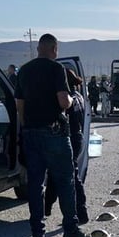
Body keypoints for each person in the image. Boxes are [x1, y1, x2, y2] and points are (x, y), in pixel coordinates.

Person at [15, 34, 90, 237]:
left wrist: (25, 126)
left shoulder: (25, 70)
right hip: (55, 132)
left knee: (36, 184)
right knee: (66, 181)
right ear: (54, 49)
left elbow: (19, 104)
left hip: (31, 133)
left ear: (38, 48)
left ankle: (37, 234)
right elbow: (63, 102)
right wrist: (70, 101)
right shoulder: (57, 69)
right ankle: (70, 230)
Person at [44, 68, 89, 225]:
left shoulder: (68, 99)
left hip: (68, 138)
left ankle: (80, 212)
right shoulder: (80, 97)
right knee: (64, 174)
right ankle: (48, 207)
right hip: (78, 137)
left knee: (68, 177)